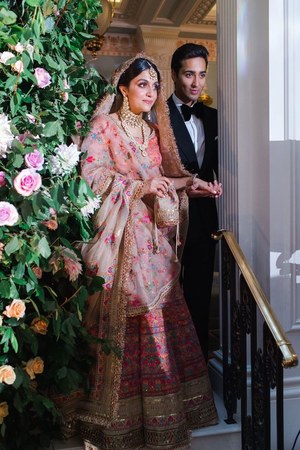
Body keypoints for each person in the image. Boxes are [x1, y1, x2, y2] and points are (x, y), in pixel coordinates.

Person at [76, 54, 218, 450]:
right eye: (143, 85)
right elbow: (92, 175)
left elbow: (160, 181)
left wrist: (192, 184)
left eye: (155, 86)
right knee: (128, 314)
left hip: (155, 242)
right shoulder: (105, 126)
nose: (151, 92)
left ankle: (164, 412)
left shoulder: (154, 133)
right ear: (123, 87)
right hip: (122, 241)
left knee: (163, 313)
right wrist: (137, 188)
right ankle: (117, 416)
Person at [167, 43, 222, 362]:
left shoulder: (215, 118)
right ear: (175, 75)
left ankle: (197, 360)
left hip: (204, 218)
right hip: (167, 218)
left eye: (202, 74)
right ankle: (168, 360)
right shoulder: (156, 114)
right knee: (167, 292)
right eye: (189, 74)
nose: (196, 82)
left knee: (200, 293)